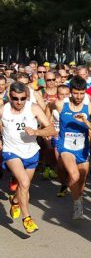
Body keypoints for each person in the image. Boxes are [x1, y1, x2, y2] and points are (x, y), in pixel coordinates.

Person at [0, 82, 55, 233]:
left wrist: (36, 132)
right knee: (24, 182)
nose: (19, 102)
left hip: (31, 152)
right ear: (9, 96)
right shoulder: (3, 110)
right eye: (15, 98)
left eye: (22, 98)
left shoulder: (33, 108)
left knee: (24, 187)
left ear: (26, 96)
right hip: (11, 151)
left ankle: (15, 200)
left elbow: (51, 129)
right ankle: (27, 219)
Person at [51, 76, 91, 219]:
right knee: (74, 175)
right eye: (76, 93)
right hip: (65, 147)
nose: (79, 97)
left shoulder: (90, 107)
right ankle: (77, 204)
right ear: (70, 91)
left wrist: (85, 121)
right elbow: (49, 107)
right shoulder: (61, 104)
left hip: (82, 149)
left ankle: (76, 197)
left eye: (82, 93)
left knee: (82, 180)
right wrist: (48, 125)